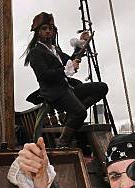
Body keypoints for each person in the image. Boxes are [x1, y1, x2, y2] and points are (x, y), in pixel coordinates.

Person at [23, 12, 108, 147]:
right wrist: (65, 69)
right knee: (80, 113)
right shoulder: (35, 52)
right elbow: (44, 75)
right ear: (37, 32)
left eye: (50, 29)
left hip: (68, 89)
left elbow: (71, 61)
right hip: (55, 94)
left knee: (102, 88)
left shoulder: (55, 50)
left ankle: (70, 117)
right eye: (44, 28)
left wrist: (81, 44)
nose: (48, 31)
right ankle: (63, 141)